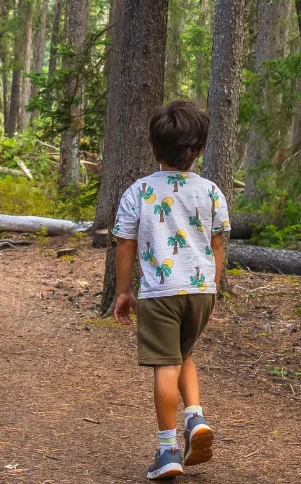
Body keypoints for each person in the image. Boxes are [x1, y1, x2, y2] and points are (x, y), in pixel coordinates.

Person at [112, 100, 231, 480]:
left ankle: (167, 450)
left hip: (160, 293)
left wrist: (123, 291)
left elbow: (126, 244)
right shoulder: (211, 192)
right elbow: (217, 246)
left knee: (165, 366)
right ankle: (194, 417)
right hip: (200, 291)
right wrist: (212, 289)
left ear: (153, 147)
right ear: (199, 150)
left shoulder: (138, 191)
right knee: (183, 354)